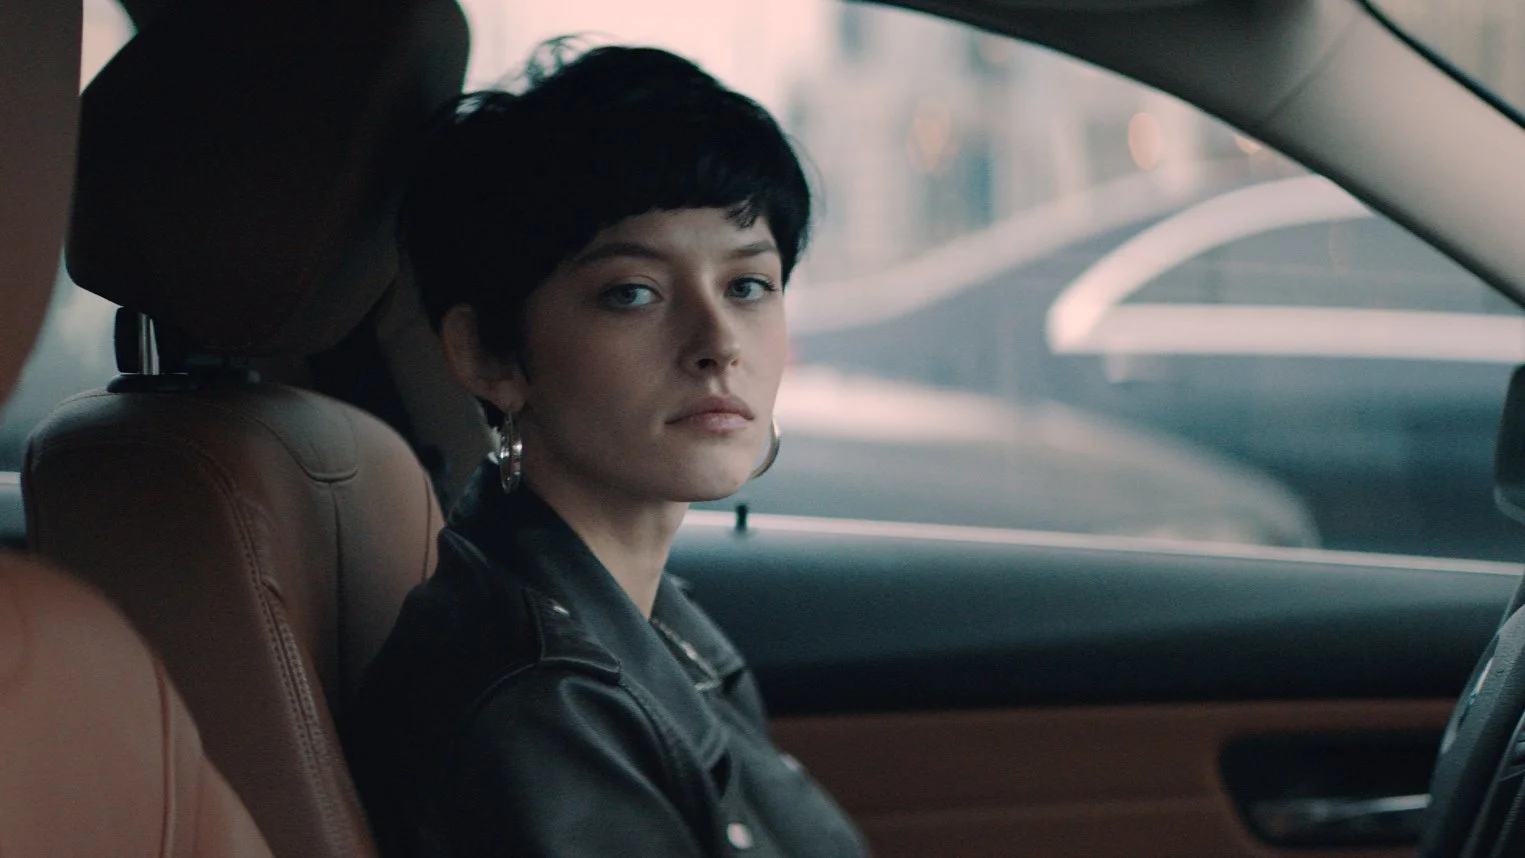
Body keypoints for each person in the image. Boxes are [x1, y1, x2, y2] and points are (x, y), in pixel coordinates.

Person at [344, 42, 868, 858]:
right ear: (488, 355)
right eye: (633, 293)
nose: (719, 343)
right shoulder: (539, 706)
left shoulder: (629, 614)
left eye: (746, 286)